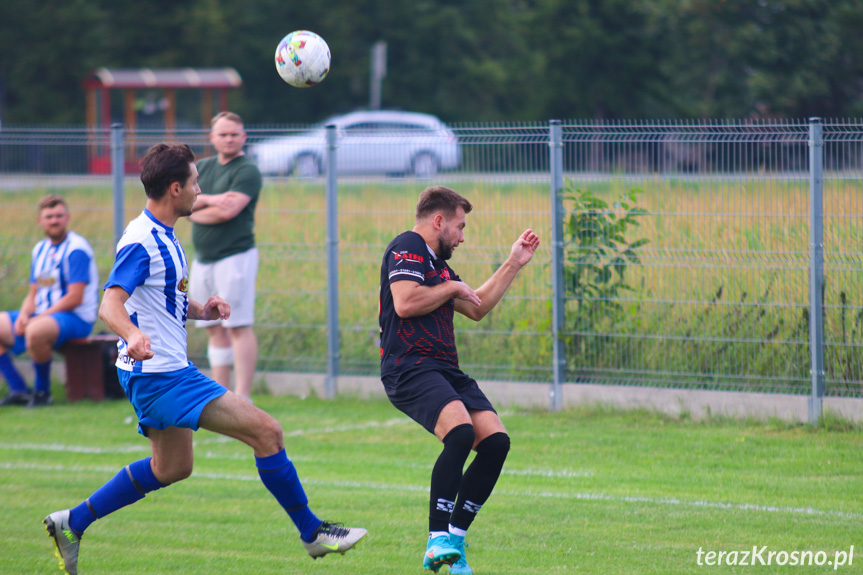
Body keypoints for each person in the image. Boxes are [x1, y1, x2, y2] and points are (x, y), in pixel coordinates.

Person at [43, 143, 366, 575]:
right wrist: (133, 334)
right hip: (161, 376)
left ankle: (72, 522)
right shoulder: (142, 241)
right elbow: (110, 306)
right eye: (195, 182)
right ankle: (312, 534)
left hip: (158, 372)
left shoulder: (165, 234)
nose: (200, 188)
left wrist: (200, 310)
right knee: (267, 432)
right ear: (175, 188)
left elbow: (160, 298)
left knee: (173, 467)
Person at [378, 186, 540, 574]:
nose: (462, 237)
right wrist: (450, 287)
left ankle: (455, 538)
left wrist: (514, 262)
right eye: (460, 226)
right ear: (438, 221)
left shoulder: (439, 266)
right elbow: (405, 302)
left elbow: (477, 306)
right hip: (410, 367)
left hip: (445, 368)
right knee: (461, 434)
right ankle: (437, 539)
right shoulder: (408, 246)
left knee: (496, 442)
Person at [0, 194, 99, 408]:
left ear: (67, 218)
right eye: (49, 216)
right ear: (40, 220)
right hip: (43, 315)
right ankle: (18, 389)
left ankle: (43, 392)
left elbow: (75, 297)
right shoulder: (40, 249)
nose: (54, 221)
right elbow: (33, 293)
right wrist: (25, 315)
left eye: (59, 216)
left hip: (75, 318)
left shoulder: (76, 249)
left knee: (35, 330)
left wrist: (37, 319)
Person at [189, 111, 261, 399]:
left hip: (235, 257)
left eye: (234, 134)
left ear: (243, 137)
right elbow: (184, 200)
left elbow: (228, 211)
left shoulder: (247, 170)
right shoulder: (202, 168)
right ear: (212, 138)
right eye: (223, 134)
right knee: (213, 326)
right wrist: (208, 200)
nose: (229, 139)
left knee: (238, 325)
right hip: (203, 259)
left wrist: (195, 212)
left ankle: (242, 396)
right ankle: (220, 394)